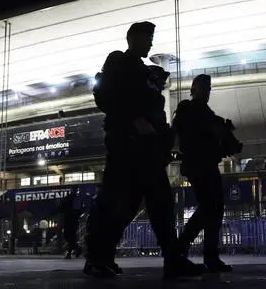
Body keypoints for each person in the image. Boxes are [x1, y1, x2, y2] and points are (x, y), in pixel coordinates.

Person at [84, 21, 205, 280]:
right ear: (132, 38)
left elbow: (152, 107)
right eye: (146, 37)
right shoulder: (119, 61)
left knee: (142, 203)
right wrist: (132, 119)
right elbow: (105, 94)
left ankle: (105, 256)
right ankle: (99, 257)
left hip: (146, 145)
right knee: (120, 202)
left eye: (151, 37)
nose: (150, 42)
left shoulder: (144, 70)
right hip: (127, 142)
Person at [172, 74, 241, 272]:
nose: (208, 92)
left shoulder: (202, 111)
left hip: (204, 164)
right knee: (211, 207)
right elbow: (204, 134)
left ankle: (206, 255)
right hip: (199, 165)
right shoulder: (192, 109)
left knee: (215, 208)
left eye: (209, 88)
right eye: (205, 88)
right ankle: (184, 246)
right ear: (195, 88)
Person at [57, 186, 83, 259]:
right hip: (74, 220)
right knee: (71, 236)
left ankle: (72, 251)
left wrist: (55, 212)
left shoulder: (68, 198)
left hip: (68, 219)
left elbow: (62, 207)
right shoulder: (77, 199)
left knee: (68, 236)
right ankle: (76, 249)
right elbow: (80, 210)